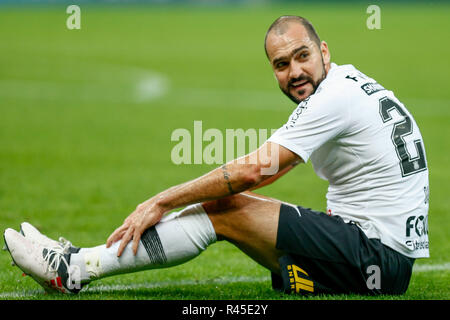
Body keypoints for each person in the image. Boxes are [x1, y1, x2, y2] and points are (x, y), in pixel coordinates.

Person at [3, 15, 429, 296]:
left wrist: (161, 200)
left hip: (377, 258)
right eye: (281, 64)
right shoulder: (349, 84)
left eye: (302, 56)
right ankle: (76, 263)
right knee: (227, 210)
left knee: (226, 209)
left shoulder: (331, 99)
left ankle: (74, 268)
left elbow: (254, 172)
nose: (294, 71)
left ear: (324, 52)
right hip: (377, 253)